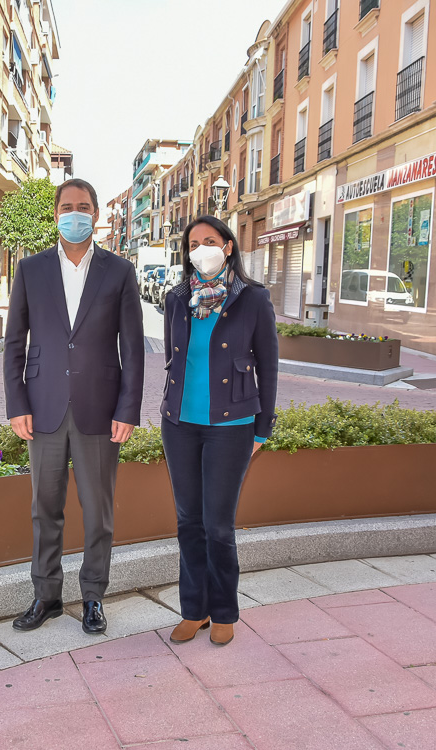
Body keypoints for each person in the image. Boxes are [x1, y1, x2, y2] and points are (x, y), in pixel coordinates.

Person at [3, 178, 144, 636]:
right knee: (44, 508)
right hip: (42, 407)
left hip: (100, 409)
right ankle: (46, 596)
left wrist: (127, 409)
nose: (75, 214)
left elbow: (133, 347)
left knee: (98, 511)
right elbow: (14, 343)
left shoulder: (119, 271)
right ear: (56, 214)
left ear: (96, 215)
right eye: (67, 207)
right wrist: (16, 403)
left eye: (83, 207)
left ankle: (93, 598)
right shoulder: (31, 269)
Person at [160, 215, 278, 647]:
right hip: (179, 424)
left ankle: (224, 610)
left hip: (232, 425)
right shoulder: (177, 298)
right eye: (193, 244)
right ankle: (195, 610)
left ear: (228, 246)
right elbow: (174, 359)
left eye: (209, 241)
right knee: (188, 521)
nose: (200, 250)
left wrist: (262, 427)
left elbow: (269, 365)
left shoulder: (252, 299)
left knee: (218, 525)